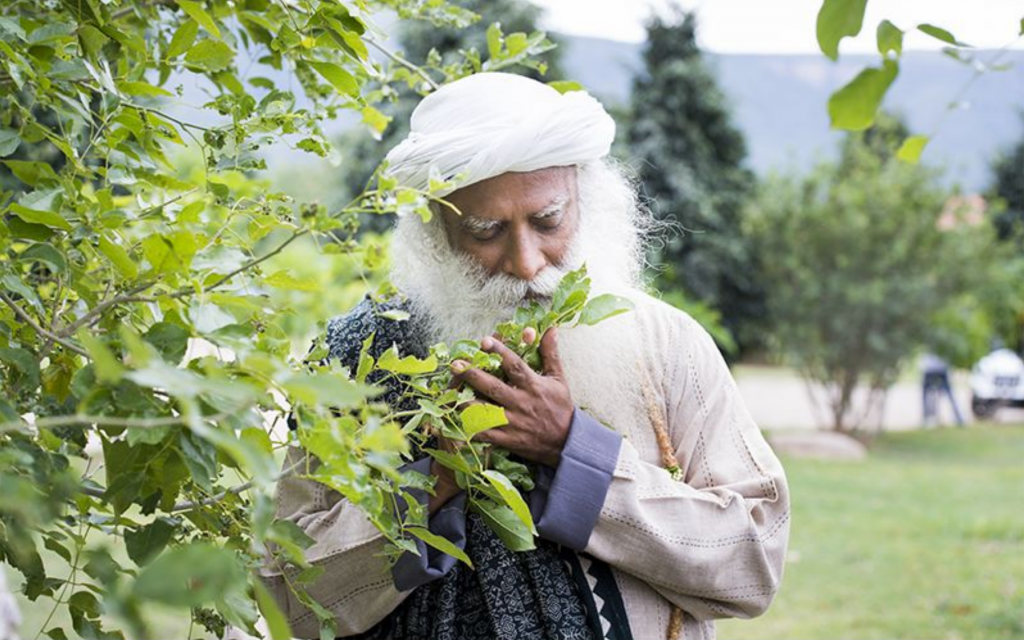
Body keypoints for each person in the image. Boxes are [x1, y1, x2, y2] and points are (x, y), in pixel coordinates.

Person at [261, 72, 790, 640]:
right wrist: (436, 476)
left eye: (547, 222)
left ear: (584, 200)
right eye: (486, 231)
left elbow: (752, 565)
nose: (526, 261)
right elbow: (285, 603)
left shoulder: (664, 345)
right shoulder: (352, 361)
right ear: (434, 233)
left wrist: (571, 451)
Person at [920, 353, 964, 427]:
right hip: (939, 366)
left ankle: (926, 420)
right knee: (949, 394)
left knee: (927, 396)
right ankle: (959, 419)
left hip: (931, 367)